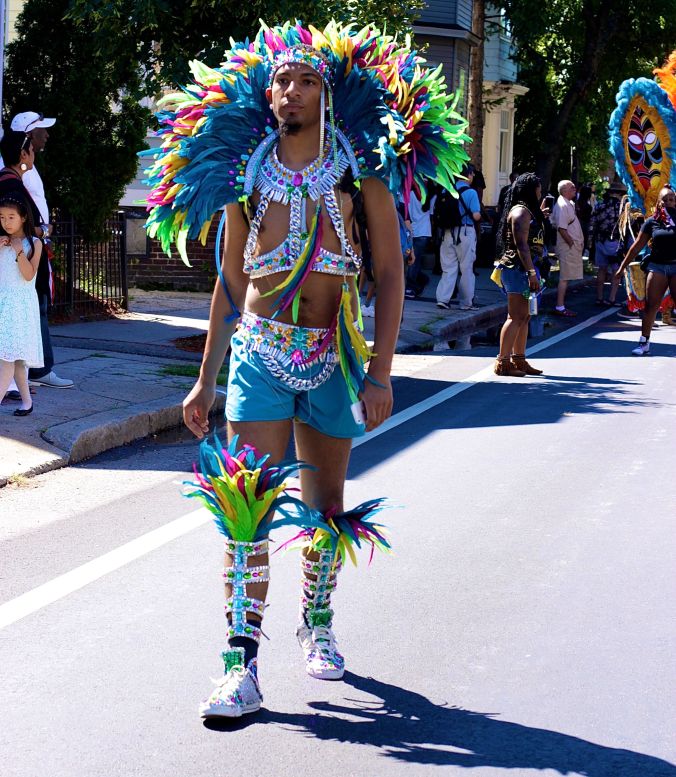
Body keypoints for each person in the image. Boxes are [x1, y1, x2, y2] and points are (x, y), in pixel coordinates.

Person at [143, 21, 468, 720]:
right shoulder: (247, 170)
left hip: (333, 357)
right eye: (283, 81)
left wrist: (381, 372)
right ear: (269, 92)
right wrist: (207, 377)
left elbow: (388, 271)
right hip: (260, 353)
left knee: (326, 506)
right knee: (245, 510)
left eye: (307, 81)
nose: (292, 92)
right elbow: (230, 283)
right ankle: (240, 662)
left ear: (327, 92)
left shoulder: (359, 168)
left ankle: (317, 623)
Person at [9, 112, 73, 389]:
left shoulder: (28, 168)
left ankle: (29, 371)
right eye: (41, 131)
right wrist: (40, 232)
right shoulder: (14, 172)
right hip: (24, 247)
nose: (46, 135)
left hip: (33, 245)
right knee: (33, 308)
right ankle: (38, 370)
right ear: (27, 138)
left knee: (36, 307)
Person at [491, 173, 547, 376]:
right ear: (530, 190)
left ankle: (519, 359)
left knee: (524, 317)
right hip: (518, 269)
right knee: (515, 317)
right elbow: (521, 246)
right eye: (538, 188)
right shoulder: (520, 213)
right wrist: (532, 272)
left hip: (524, 269)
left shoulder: (527, 212)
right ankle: (503, 362)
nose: (541, 192)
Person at [616, 186, 676, 355]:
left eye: (672, 199)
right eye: (666, 199)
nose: (669, 202)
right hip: (657, 266)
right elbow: (635, 248)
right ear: (659, 202)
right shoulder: (652, 222)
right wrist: (621, 268)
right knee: (651, 306)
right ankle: (644, 343)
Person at [0, 195, 43, 415]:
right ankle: (27, 402)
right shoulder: (1, 242)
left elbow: (28, 275)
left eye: (11, 217)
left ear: (23, 217)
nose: (6, 222)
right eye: (1, 217)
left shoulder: (34, 243)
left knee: (7, 357)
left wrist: (17, 250)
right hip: (3, 304)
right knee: (14, 359)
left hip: (20, 307)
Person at [435, 164, 482, 310]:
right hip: (465, 232)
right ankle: (466, 302)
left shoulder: (446, 190)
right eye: (472, 174)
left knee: (448, 268)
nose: (473, 176)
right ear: (467, 174)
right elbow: (476, 215)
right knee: (467, 268)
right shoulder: (471, 192)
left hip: (447, 233)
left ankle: (443, 299)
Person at [589, 181, 626, 306]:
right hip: (614, 242)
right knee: (616, 270)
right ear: (620, 194)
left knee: (601, 269)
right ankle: (612, 299)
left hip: (600, 241)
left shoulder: (599, 205)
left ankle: (599, 298)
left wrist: (590, 243)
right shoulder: (622, 207)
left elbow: (592, 224)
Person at [551, 179, 584, 316]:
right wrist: (571, 243)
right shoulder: (562, 205)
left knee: (567, 276)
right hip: (568, 247)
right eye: (572, 188)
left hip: (571, 246)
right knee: (564, 277)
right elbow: (562, 229)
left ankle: (561, 305)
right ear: (564, 190)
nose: (575, 189)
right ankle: (560, 307)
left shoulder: (567, 203)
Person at [405, 188, 435, 299]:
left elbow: (406, 213)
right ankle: (416, 284)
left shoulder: (409, 194)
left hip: (412, 231)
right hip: (425, 232)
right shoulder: (430, 195)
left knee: (411, 262)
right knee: (416, 262)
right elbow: (432, 215)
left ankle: (411, 286)